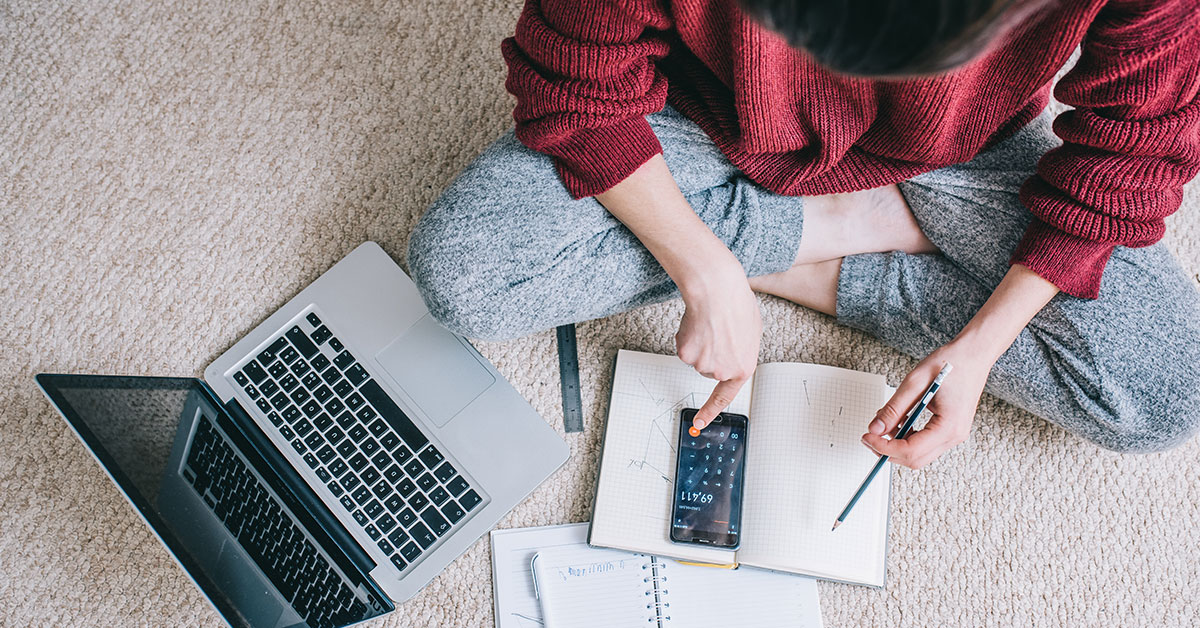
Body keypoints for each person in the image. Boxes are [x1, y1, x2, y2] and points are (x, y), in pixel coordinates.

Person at [407, 0, 1200, 468]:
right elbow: (576, 84)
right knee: (463, 276)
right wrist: (704, 272)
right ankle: (840, 224)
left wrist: (984, 343)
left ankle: (825, 230)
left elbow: (1137, 150)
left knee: (1167, 391)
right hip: (697, 107)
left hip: (963, 148)